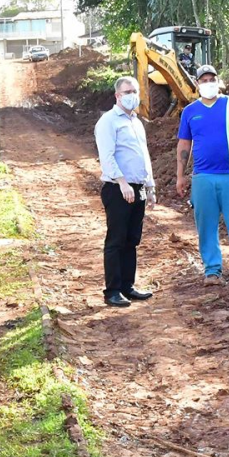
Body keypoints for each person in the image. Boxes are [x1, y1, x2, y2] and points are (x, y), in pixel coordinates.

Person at [176, 65, 229, 290]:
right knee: (206, 226)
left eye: (212, 79)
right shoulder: (190, 111)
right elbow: (184, 144)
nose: (208, 83)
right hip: (203, 178)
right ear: (197, 84)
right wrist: (180, 175)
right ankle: (212, 270)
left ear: (218, 81)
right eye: (204, 80)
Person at [94, 76, 156, 307]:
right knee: (116, 240)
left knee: (132, 240)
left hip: (137, 187)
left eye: (135, 91)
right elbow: (107, 156)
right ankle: (112, 290)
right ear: (117, 96)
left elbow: (144, 155)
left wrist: (150, 186)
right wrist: (122, 183)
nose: (132, 95)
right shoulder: (108, 121)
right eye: (127, 92)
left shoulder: (136, 122)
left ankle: (127, 287)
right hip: (118, 188)